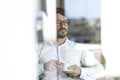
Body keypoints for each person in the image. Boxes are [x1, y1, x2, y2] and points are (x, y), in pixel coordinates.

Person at [38, 7, 105, 80]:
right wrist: (43, 66)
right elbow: (26, 71)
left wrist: (81, 71)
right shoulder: (39, 48)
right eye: (58, 22)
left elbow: (100, 70)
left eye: (65, 22)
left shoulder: (78, 48)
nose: (63, 26)